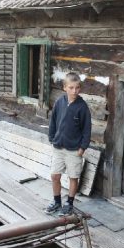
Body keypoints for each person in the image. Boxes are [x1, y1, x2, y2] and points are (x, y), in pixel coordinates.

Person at [45, 72, 91, 215]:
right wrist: (52, 138)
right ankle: (57, 201)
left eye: (77, 88)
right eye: (71, 87)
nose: (74, 91)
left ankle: (69, 203)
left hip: (74, 150)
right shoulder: (60, 102)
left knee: (73, 177)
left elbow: (87, 129)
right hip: (58, 147)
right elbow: (53, 121)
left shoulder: (82, 107)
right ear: (65, 87)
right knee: (55, 176)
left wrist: (82, 148)